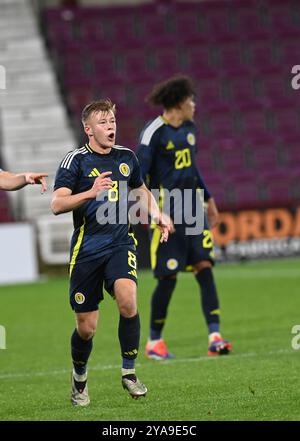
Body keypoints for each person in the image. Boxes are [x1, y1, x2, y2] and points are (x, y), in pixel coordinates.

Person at [51, 99, 170, 406]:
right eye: (103, 123)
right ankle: (79, 379)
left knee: (128, 299)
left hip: (120, 243)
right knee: (86, 328)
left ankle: (129, 373)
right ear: (88, 129)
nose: (110, 127)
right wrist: (90, 192)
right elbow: (57, 204)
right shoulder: (74, 161)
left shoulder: (126, 158)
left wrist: (156, 214)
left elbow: (139, 189)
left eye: (113, 121)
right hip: (87, 251)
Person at [136, 75, 232, 360]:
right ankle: (154, 342)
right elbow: (138, 177)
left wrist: (209, 199)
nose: (194, 104)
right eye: (190, 100)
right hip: (168, 214)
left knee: (205, 267)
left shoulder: (190, 128)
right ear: (178, 102)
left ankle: (215, 337)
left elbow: (193, 168)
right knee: (168, 277)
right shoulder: (153, 133)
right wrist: (153, 212)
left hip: (194, 209)